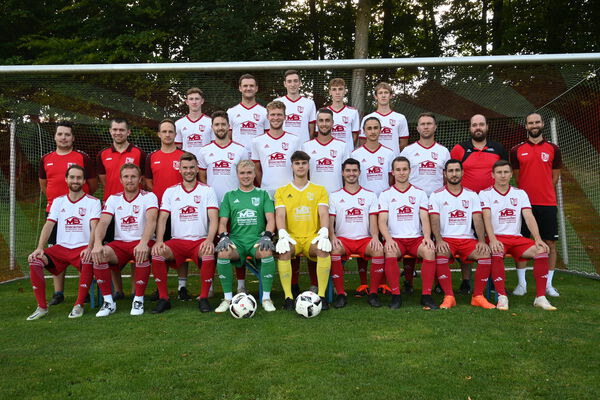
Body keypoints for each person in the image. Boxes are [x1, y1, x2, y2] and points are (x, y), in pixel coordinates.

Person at [480, 160, 556, 310]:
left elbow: (528, 216)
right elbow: (486, 217)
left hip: (516, 238)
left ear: (510, 175)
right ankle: (502, 296)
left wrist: (538, 239)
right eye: (499, 172)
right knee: (496, 251)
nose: (503, 176)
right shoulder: (485, 193)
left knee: (541, 250)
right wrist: (493, 239)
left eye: (506, 172)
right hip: (497, 238)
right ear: (493, 175)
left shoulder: (520, 193)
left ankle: (540, 297)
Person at [26, 165, 100, 320]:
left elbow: (95, 227)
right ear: (66, 179)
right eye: (72, 177)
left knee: (88, 260)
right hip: (61, 248)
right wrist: (40, 248)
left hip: (81, 248)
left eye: (79, 178)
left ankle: (79, 305)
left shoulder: (93, 202)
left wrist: (90, 247)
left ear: (84, 181)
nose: (75, 180)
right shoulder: (58, 202)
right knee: (35, 261)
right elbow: (49, 224)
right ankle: (42, 307)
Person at [38, 121, 97, 306]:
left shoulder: (82, 157)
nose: (63, 137)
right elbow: (44, 184)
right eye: (60, 134)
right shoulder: (46, 158)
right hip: (55, 211)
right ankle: (58, 292)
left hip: (81, 211)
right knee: (57, 251)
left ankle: (85, 290)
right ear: (55, 136)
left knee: (82, 250)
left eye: (67, 134)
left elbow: (93, 184)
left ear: (73, 138)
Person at [151, 152, 218, 313]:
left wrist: (209, 240)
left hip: (199, 240)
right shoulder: (170, 191)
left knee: (208, 253)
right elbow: (162, 218)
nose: (188, 171)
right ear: (179, 170)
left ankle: (203, 298)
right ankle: (163, 298)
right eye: (185, 168)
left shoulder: (207, 190)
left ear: (197, 169)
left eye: (191, 167)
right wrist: (159, 240)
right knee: (157, 253)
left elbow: (214, 219)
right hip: (177, 241)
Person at [90, 163, 158, 317]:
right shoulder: (113, 199)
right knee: (100, 255)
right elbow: (103, 222)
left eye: (133, 176)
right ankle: (108, 302)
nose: (130, 180)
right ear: (120, 180)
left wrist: (143, 243)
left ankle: (138, 299)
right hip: (120, 244)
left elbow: (152, 220)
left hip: (142, 241)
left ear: (140, 179)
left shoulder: (149, 196)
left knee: (142, 253)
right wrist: (98, 243)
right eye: (126, 177)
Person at [449, 114, 508, 293]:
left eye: (481, 124)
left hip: (492, 204)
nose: (478, 128)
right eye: (474, 125)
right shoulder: (460, 149)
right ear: (470, 128)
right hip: (466, 206)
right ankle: (466, 280)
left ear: (487, 127)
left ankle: (492, 279)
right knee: (466, 240)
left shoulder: (498, 148)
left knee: (492, 240)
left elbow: (504, 172)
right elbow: (453, 173)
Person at [213, 160, 278, 312]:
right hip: (237, 241)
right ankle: (227, 299)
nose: (246, 176)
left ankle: (266, 298)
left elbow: (270, 219)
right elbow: (222, 222)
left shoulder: (263, 194)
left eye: (249, 172)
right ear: (237, 175)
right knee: (223, 252)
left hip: (256, 240)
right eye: (242, 173)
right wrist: (223, 237)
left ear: (255, 174)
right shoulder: (229, 196)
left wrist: (267, 236)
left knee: (266, 251)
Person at [429, 159, 493, 309]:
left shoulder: (471, 195)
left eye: (457, 170)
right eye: (450, 171)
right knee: (440, 254)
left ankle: (478, 296)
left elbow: (477, 218)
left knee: (484, 254)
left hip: (467, 239)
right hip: (446, 239)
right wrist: (438, 240)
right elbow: (434, 218)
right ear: (444, 174)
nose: (454, 174)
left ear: (462, 172)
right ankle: (449, 296)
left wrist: (482, 241)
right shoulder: (436, 195)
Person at [510, 112, 562, 297]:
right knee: (523, 243)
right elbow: (516, 176)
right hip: (524, 205)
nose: (534, 125)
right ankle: (522, 284)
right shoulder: (516, 150)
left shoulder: (553, 149)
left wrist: (544, 189)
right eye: (530, 122)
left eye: (537, 122)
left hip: (547, 203)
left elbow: (555, 176)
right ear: (526, 126)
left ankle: (548, 284)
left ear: (542, 124)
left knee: (550, 243)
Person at [377, 156, 438, 310]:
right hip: (396, 239)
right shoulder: (386, 194)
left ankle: (426, 295)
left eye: (404, 169)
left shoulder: (420, 193)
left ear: (410, 171)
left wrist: (427, 237)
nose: (402, 173)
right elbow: (382, 221)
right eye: (398, 170)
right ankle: (396, 296)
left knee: (430, 251)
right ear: (392, 172)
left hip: (416, 239)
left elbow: (424, 218)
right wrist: (388, 239)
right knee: (390, 251)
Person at [400, 112, 450, 293]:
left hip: (436, 205)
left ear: (435, 127)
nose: (426, 127)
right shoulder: (408, 151)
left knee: (435, 241)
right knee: (411, 238)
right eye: (423, 124)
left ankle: (437, 282)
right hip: (413, 204)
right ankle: (408, 281)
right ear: (418, 128)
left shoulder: (443, 151)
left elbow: (446, 179)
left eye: (429, 123)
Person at [274, 151, 332, 311]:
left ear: (308, 165)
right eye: (297, 163)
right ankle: (288, 297)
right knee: (284, 251)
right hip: (292, 237)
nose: (300, 166)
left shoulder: (319, 190)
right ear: (292, 166)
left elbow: (323, 212)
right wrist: (282, 233)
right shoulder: (282, 191)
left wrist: (325, 230)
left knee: (322, 250)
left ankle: (321, 296)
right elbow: (280, 214)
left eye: (304, 163)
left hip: (311, 237)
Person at [96, 117, 147, 299]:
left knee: (136, 247)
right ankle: (118, 290)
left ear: (128, 132)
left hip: (134, 206)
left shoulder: (139, 153)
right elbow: (104, 179)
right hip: (113, 208)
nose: (118, 133)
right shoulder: (103, 154)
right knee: (110, 248)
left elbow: (142, 177)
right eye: (115, 129)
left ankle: (135, 290)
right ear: (110, 131)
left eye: (121, 130)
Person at [328, 158, 383, 308]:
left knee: (378, 249)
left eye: (354, 171)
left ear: (359, 172)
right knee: (334, 249)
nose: (351, 174)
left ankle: (372, 293)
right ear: (342, 173)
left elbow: (373, 221)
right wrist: (332, 236)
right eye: (348, 171)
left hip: (364, 239)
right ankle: (340, 294)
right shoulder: (334, 196)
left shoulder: (370, 195)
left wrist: (375, 237)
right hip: (343, 239)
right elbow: (330, 221)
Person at [145, 119, 190, 300]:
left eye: (171, 131)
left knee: (181, 247)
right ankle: (160, 287)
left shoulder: (183, 155)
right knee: (159, 248)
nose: (168, 135)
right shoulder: (152, 157)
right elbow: (148, 181)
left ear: (175, 134)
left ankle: (182, 286)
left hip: (180, 211)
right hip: (160, 211)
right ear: (159, 134)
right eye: (164, 131)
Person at [251, 101, 300, 198]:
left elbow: (299, 168)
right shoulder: (257, 141)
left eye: (279, 114)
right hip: (266, 191)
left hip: (290, 191)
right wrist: (264, 186)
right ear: (267, 117)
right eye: (272, 114)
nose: (276, 118)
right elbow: (256, 168)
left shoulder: (295, 140)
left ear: (285, 117)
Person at [198, 111, 249, 203]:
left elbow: (247, 178)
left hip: (235, 201)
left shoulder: (241, 150)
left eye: (223, 124)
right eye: (217, 125)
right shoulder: (203, 151)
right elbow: (202, 178)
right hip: (212, 202)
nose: (220, 128)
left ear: (229, 126)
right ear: (212, 127)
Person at [301, 108, 349, 194]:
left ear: (332, 123)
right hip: (314, 197)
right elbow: (304, 174)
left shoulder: (343, 146)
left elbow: (347, 174)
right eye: (321, 120)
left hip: (337, 197)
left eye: (327, 120)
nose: (324, 124)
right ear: (317, 123)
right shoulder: (306, 146)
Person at [359, 82, 409, 154]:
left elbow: (403, 144)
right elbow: (363, 142)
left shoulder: (400, 118)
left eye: (386, 92)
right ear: (376, 96)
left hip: (394, 161)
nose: (383, 95)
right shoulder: (367, 118)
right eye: (380, 93)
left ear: (391, 95)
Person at [227, 74, 268, 158]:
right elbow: (227, 138)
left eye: (251, 86)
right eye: (245, 86)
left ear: (256, 88)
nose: (248, 88)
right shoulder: (231, 112)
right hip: (237, 157)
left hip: (258, 157)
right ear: (240, 88)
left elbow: (268, 137)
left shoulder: (265, 112)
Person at [351, 117, 395, 197]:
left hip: (384, 199)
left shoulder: (389, 153)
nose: (373, 131)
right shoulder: (355, 154)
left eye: (375, 128)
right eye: (369, 128)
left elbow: (391, 178)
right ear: (364, 131)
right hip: (363, 199)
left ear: (380, 130)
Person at [274, 70, 316, 143]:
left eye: (295, 81)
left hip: (302, 147)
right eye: (289, 81)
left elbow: (311, 131)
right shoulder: (277, 102)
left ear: (300, 83)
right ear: (285, 84)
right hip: (282, 146)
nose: (292, 84)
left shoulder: (309, 103)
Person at [175, 87, 213, 159]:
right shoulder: (179, 124)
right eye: (191, 99)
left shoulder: (211, 122)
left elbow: (215, 146)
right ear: (187, 102)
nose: (194, 102)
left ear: (202, 101)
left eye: (197, 99)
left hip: (206, 164)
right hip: (187, 166)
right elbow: (177, 148)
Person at [326, 78, 360, 154]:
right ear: (330, 92)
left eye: (340, 89)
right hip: (329, 152)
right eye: (334, 89)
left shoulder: (353, 112)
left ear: (345, 91)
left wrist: (348, 149)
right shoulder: (323, 112)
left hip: (347, 153)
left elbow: (355, 135)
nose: (337, 92)